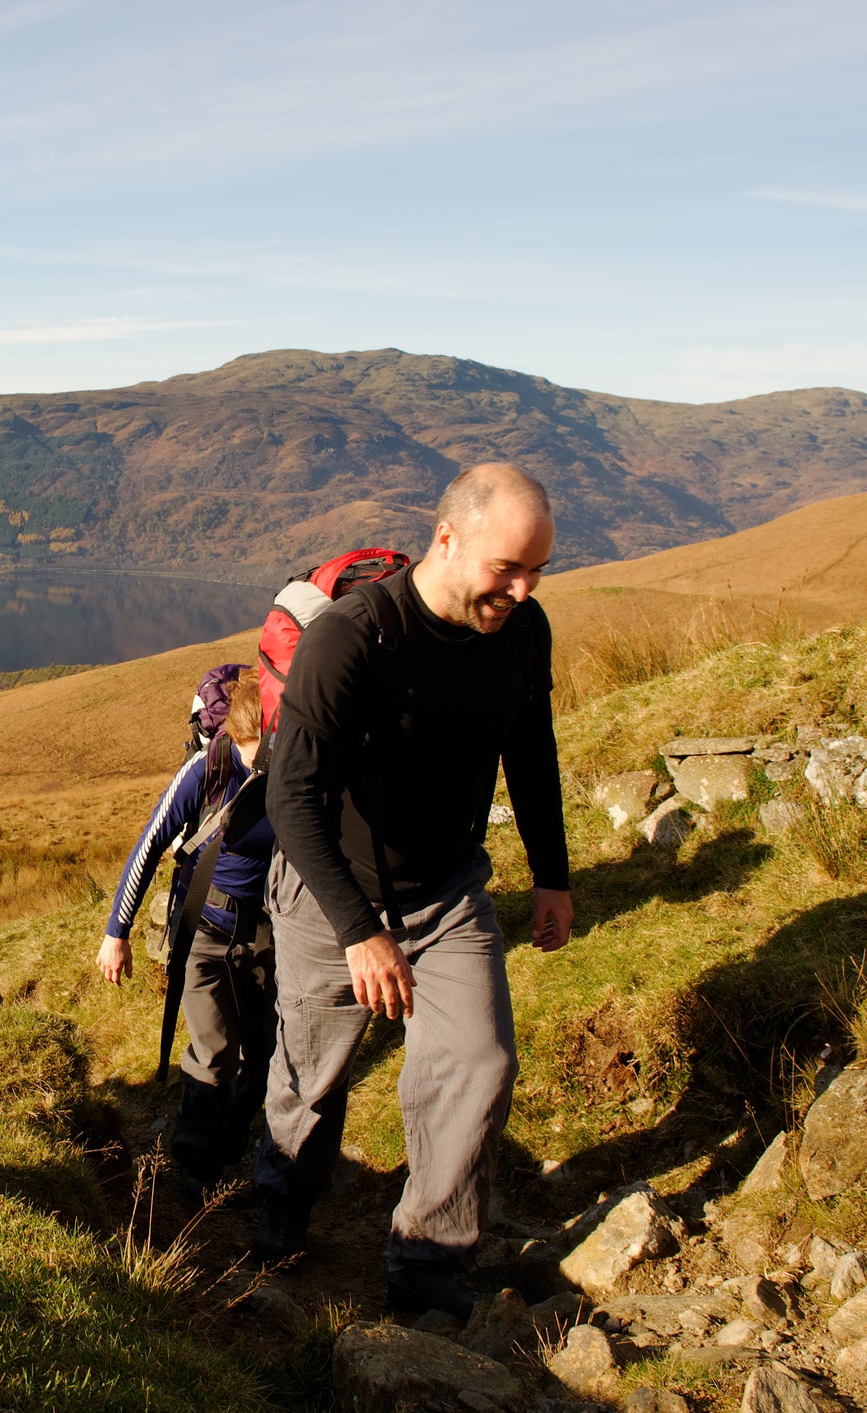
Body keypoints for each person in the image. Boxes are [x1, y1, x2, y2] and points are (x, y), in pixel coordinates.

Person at [254, 462, 573, 1319]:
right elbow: (292, 798)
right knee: (313, 1076)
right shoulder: (355, 636)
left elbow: (530, 750)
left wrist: (551, 874)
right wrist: (360, 930)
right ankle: (276, 1222)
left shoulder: (522, 631)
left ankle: (426, 1271)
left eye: (536, 569)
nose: (522, 587)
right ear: (446, 538)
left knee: (476, 1061)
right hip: (332, 895)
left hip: (448, 888)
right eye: (506, 567)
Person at [97, 667, 277, 1203]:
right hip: (202, 926)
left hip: (266, 927)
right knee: (216, 1048)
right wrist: (117, 932)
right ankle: (193, 1167)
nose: (257, 767)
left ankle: (229, 1145)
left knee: (264, 1051)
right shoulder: (206, 770)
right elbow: (150, 843)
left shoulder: (291, 766)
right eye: (249, 754)